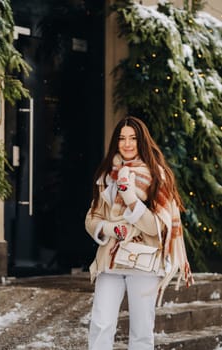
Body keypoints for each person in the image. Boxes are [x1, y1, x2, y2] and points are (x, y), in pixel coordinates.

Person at [85, 116, 194, 350]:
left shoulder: (157, 177)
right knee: (101, 324)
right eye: (122, 138)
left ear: (141, 141)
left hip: (144, 262)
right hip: (110, 261)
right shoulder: (106, 177)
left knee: (142, 331)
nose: (127, 144)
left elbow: (156, 228)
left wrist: (130, 198)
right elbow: (92, 219)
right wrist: (111, 228)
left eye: (132, 138)